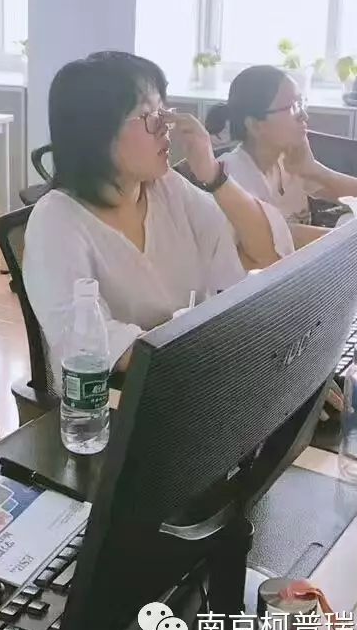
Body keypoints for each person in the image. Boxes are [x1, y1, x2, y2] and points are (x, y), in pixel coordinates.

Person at [21, 52, 295, 392]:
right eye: (149, 116)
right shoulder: (56, 221)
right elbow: (90, 343)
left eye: (164, 111)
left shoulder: (167, 188)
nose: (167, 126)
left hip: (193, 378)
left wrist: (213, 174)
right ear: (96, 132)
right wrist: (225, 359)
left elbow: (265, 253)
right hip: (118, 400)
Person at [205, 65, 357, 248]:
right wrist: (355, 239)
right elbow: (279, 239)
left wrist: (314, 169)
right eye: (293, 107)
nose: (304, 115)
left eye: (301, 103)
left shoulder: (289, 160)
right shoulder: (229, 179)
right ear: (255, 125)